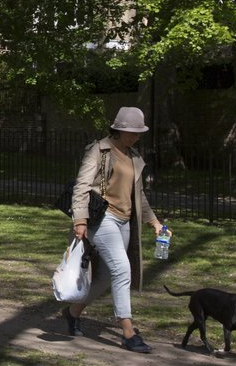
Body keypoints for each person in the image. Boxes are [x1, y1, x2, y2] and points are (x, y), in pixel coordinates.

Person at [62, 106, 168, 353]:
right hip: (103, 218)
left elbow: (138, 195)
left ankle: (72, 313)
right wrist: (80, 220)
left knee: (106, 277)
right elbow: (81, 187)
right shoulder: (99, 150)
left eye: (139, 132)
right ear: (118, 130)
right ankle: (128, 332)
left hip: (124, 220)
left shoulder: (134, 157)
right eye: (132, 132)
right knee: (122, 269)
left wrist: (154, 222)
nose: (137, 136)